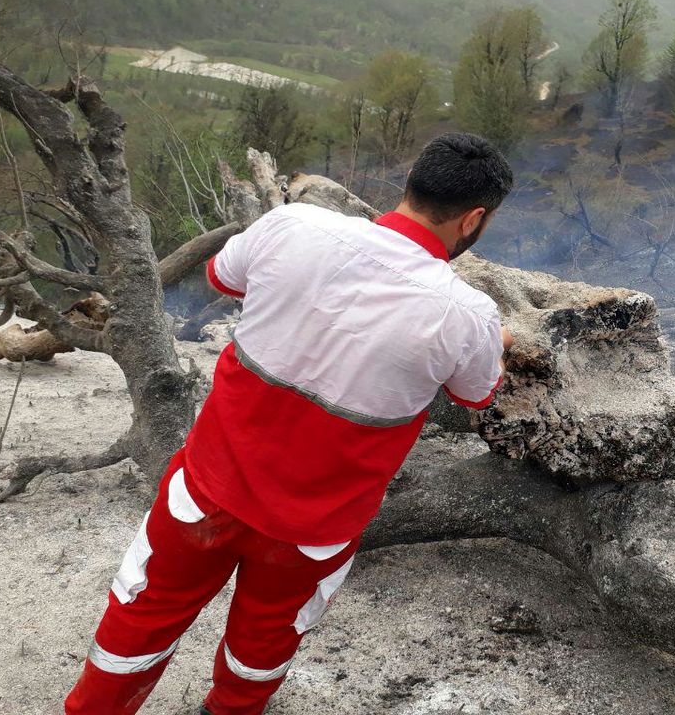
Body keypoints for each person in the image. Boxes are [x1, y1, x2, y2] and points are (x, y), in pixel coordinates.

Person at [65, 133, 514, 714]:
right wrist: (495, 341)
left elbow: (223, 278)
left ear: (411, 185)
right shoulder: (466, 313)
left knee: (145, 609)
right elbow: (477, 394)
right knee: (268, 636)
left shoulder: (295, 224)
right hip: (314, 527)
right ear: (474, 218)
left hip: (207, 490)